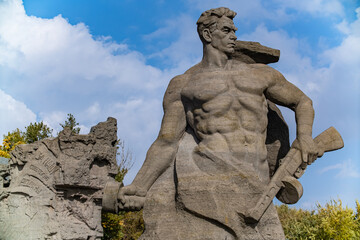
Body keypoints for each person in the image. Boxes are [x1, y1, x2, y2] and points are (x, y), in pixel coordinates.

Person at [118, 7, 319, 239]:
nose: (234, 35)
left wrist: (304, 137)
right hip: (207, 182)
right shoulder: (184, 84)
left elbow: (303, 101)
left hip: (257, 185)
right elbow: (166, 142)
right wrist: (140, 186)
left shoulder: (260, 75)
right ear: (207, 35)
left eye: (234, 30)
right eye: (226, 30)